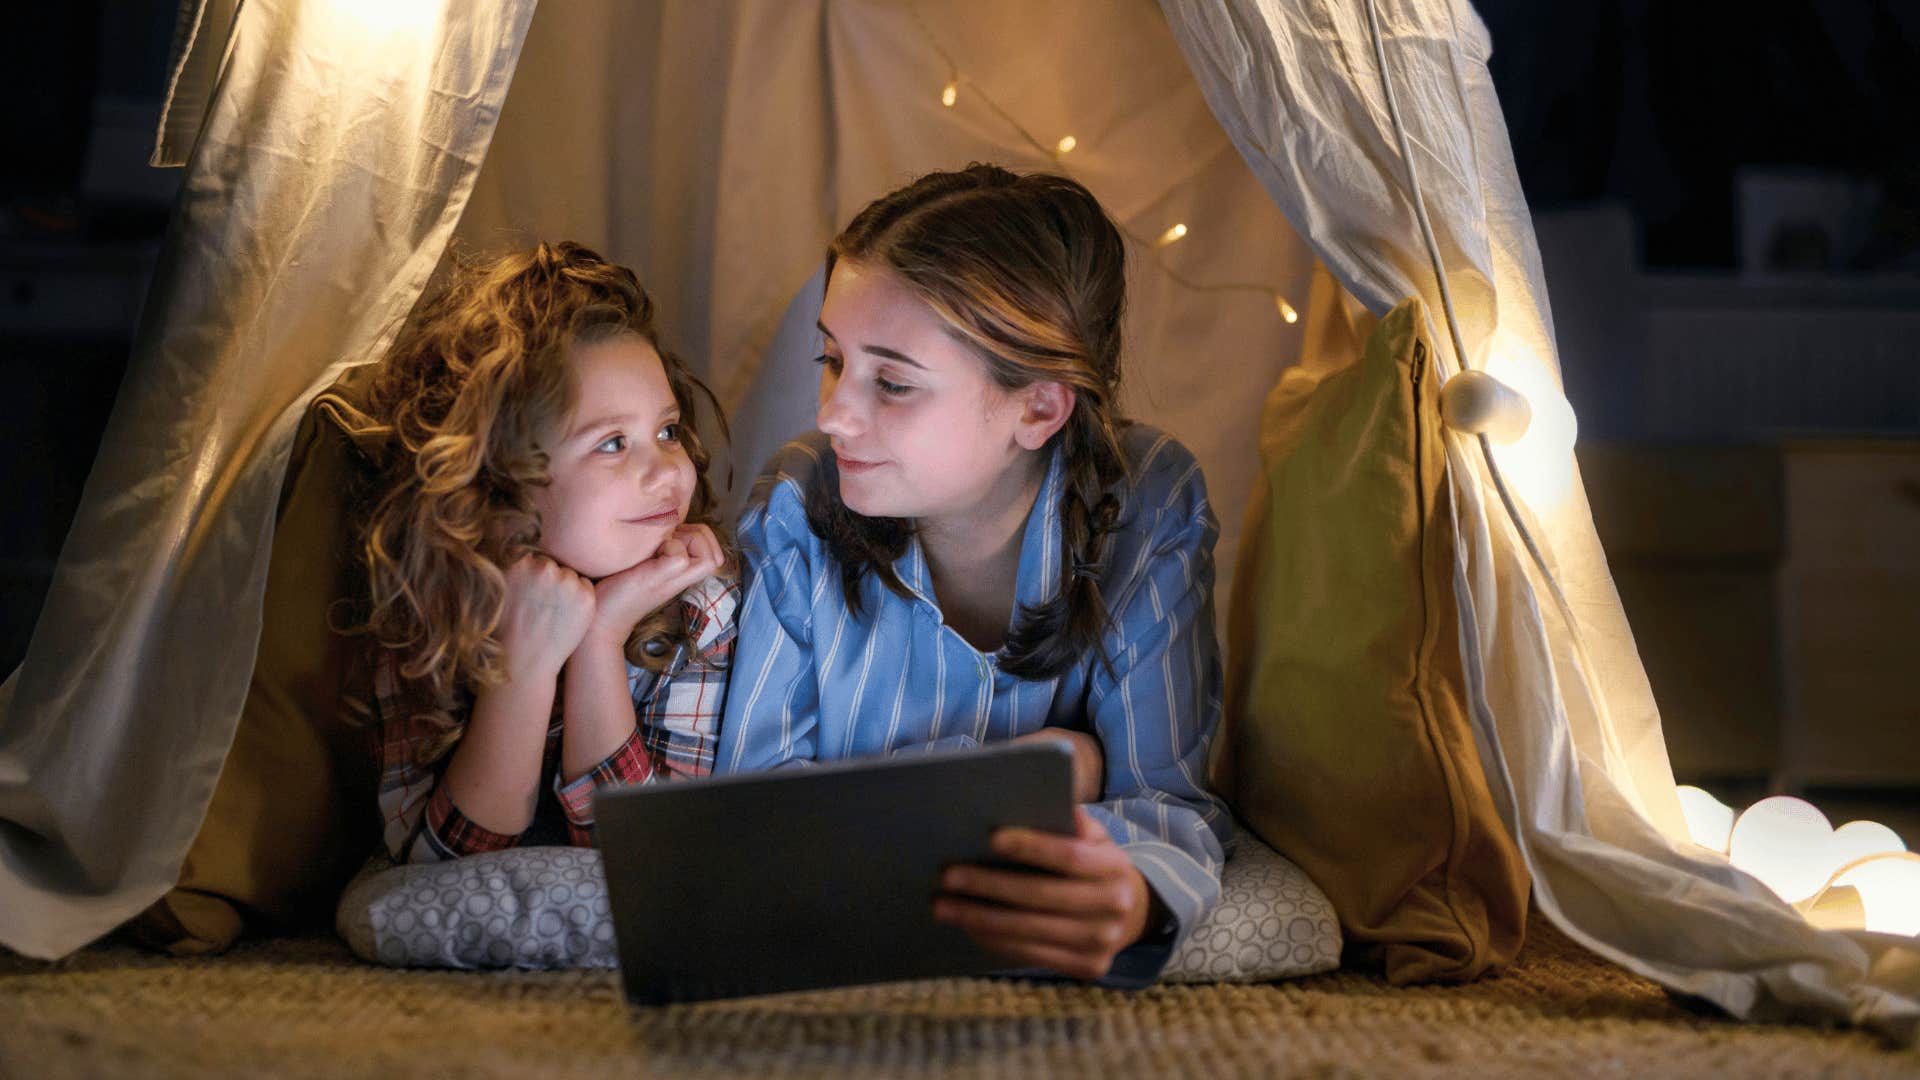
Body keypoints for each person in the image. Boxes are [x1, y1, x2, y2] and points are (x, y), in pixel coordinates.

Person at [718, 166, 1231, 984]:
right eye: (831, 359)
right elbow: (750, 818)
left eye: (892, 382)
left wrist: (1133, 893)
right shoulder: (799, 502)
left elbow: (1167, 802)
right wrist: (1041, 771)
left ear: (1037, 409)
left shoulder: (1149, 504)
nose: (832, 414)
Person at [319, 241, 736, 865]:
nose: (666, 471)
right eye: (613, 443)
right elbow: (437, 868)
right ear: (494, 479)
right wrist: (526, 663)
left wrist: (599, 637)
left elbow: (641, 858)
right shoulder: (432, 611)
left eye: (667, 431)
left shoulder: (702, 605)